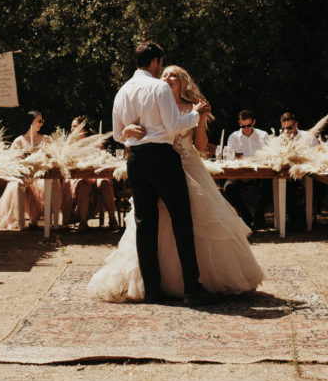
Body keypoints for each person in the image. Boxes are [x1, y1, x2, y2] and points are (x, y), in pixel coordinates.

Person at [89, 59, 262, 303]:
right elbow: (141, 133)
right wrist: (125, 131)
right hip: (158, 165)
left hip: (188, 166)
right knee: (152, 223)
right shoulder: (153, 102)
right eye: (166, 75)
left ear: (183, 83)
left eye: (174, 76)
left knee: (191, 222)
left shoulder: (192, 107)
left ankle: (195, 281)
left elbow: (200, 146)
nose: (168, 79)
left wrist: (200, 119)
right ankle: (158, 283)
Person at [88, 42, 217, 305]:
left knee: (145, 224)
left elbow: (116, 133)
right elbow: (173, 126)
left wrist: (126, 133)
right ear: (156, 61)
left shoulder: (123, 90)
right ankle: (192, 287)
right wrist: (196, 114)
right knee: (182, 220)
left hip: (136, 160)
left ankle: (152, 289)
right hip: (161, 157)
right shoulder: (158, 87)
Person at [0, 111, 67, 229]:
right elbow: (12, 161)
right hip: (25, 175)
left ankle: (47, 220)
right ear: (30, 122)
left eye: (42, 121)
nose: (41, 123)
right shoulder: (19, 141)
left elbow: (53, 157)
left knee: (51, 183)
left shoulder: (45, 139)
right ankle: (22, 221)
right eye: (39, 120)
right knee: (17, 184)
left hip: (42, 175)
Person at [67, 117, 118, 231]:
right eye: (72, 126)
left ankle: (112, 219)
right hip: (78, 177)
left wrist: (101, 150)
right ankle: (83, 222)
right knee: (83, 186)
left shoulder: (94, 143)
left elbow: (103, 160)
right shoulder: (70, 145)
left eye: (75, 126)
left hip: (96, 175)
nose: (72, 128)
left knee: (104, 182)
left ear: (82, 129)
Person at [223, 110, 270, 229]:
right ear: (239, 123)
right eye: (243, 126)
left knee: (271, 186)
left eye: (249, 125)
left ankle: (259, 215)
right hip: (240, 173)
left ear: (254, 122)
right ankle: (246, 215)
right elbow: (229, 158)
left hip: (261, 173)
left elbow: (270, 156)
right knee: (228, 188)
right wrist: (241, 174)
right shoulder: (233, 137)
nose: (246, 129)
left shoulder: (263, 135)